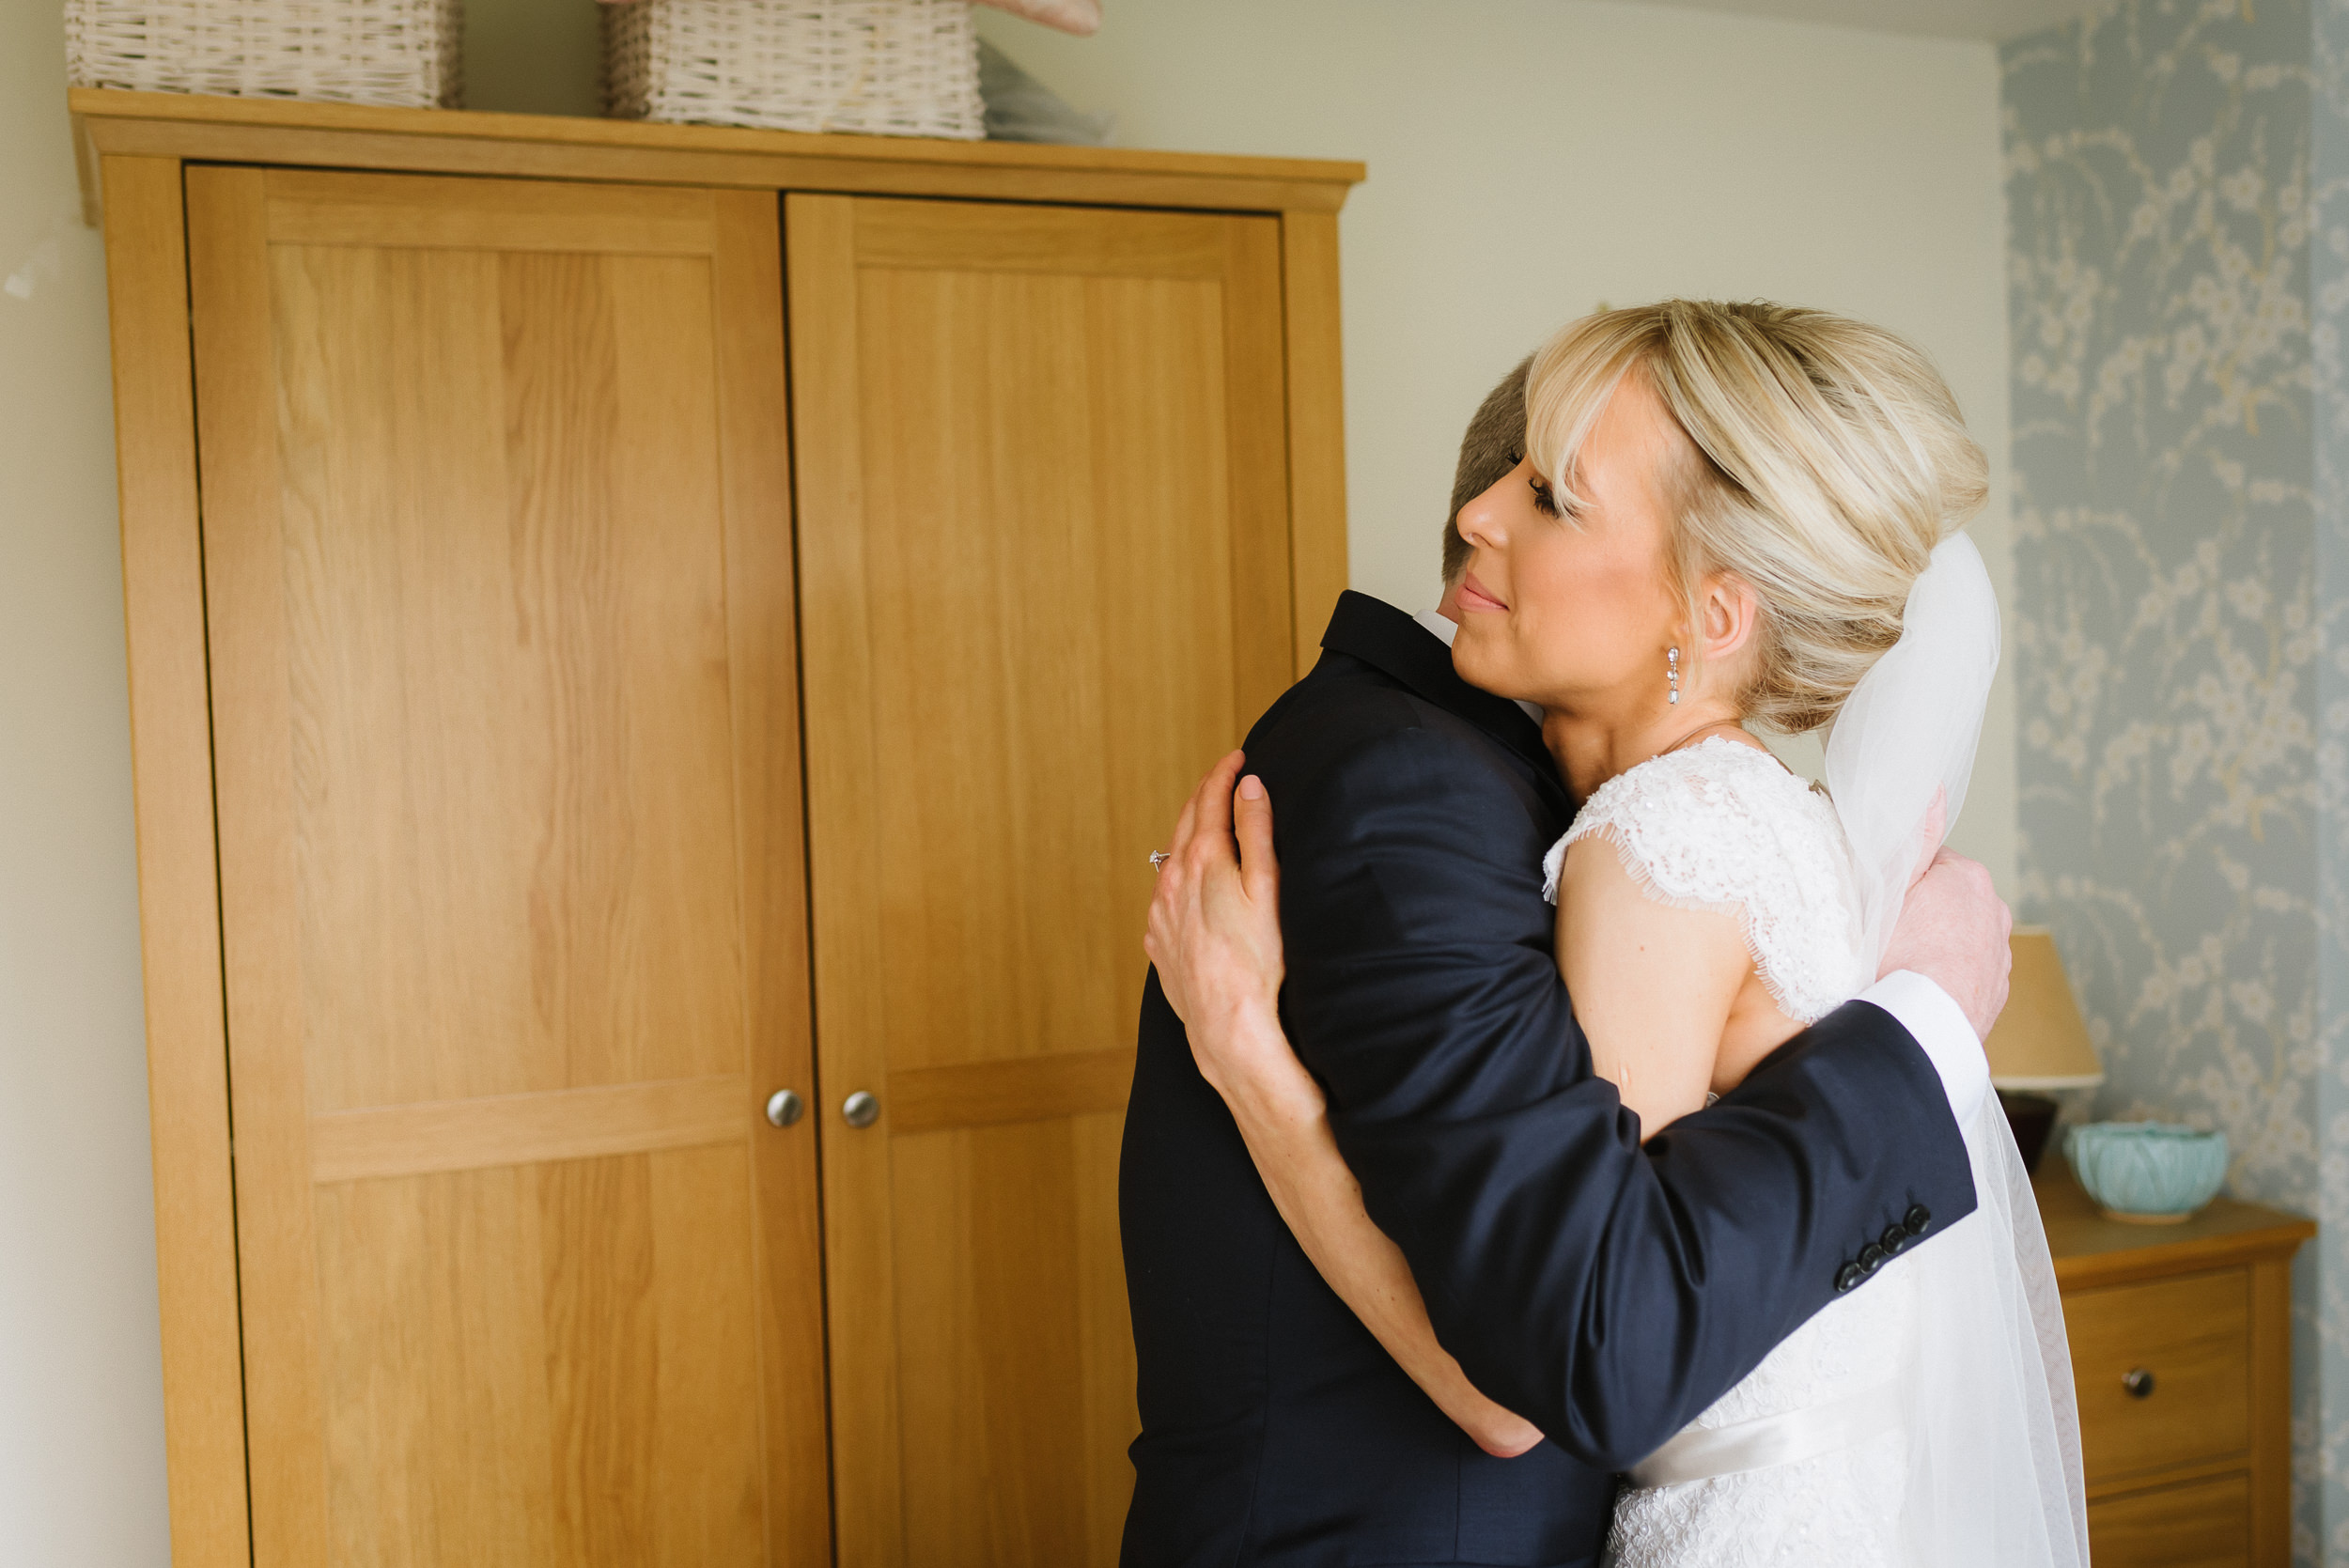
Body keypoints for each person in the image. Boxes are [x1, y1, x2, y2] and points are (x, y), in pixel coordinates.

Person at [1123, 302, 2082, 1567]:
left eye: (1558, 496)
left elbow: (1538, 1370)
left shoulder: (1656, 838)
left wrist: (1250, 1058)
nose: (1474, 512)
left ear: (1715, 610)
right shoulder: (1762, 815)